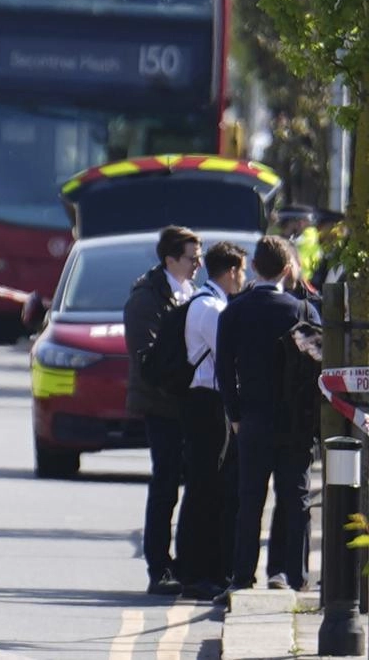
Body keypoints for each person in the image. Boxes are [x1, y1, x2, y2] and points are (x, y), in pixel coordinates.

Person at [215, 235, 320, 603]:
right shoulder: (302, 312)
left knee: (250, 500)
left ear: (255, 267)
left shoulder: (233, 312)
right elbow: (318, 364)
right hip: (295, 421)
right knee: (296, 499)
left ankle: (242, 576)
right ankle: (295, 574)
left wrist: (235, 414)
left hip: (253, 418)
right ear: (288, 269)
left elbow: (224, 369)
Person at [122, 225, 202, 595]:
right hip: (162, 403)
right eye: (191, 257)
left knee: (194, 483)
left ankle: (186, 561)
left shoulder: (189, 291)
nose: (198, 263)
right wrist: (182, 381)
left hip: (187, 402)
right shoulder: (147, 297)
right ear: (171, 259)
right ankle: (158, 565)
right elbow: (147, 359)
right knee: (165, 483)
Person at [175, 241, 247, 601]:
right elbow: (230, 357)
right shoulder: (212, 308)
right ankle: (194, 572)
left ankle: (203, 569)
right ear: (231, 271)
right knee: (204, 488)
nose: (244, 278)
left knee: (211, 487)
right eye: (242, 271)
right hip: (205, 403)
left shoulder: (211, 303)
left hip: (208, 402)